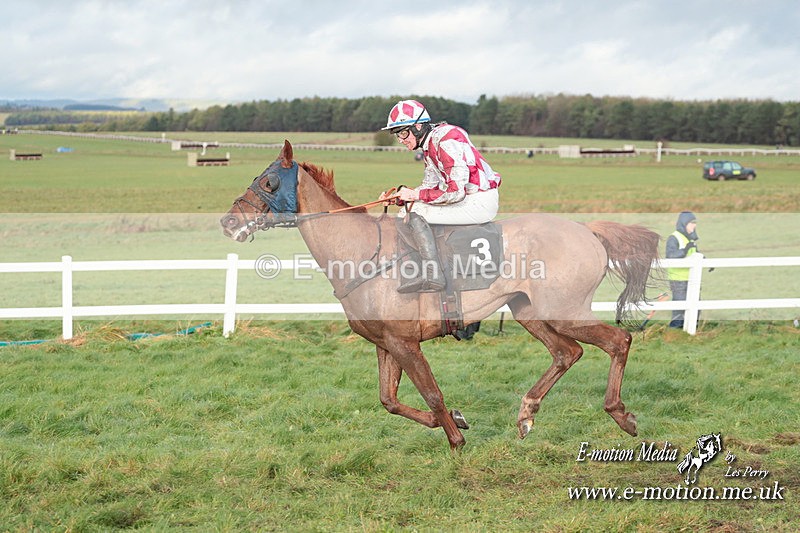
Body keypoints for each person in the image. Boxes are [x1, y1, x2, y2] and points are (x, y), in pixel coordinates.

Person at [380, 99, 501, 293]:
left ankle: (433, 274)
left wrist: (415, 196)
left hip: (478, 201)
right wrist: (403, 197)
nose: (401, 140)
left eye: (403, 132)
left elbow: (455, 192)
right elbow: (429, 187)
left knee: (414, 213)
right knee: (409, 208)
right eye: (397, 135)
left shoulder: (446, 140)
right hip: (469, 198)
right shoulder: (430, 144)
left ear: (418, 126)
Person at [665, 211, 699, 328]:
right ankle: (675, 329)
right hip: (678, 278)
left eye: (694, 223)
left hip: (692, 278)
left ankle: (692, 328)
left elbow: (695, 255)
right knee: (680, 306)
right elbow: (671, 256)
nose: (694, 226)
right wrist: (684, 250)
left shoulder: (691, 239)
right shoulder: (674, 238)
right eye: (691, 223)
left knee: (695, 304)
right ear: (684, 224)